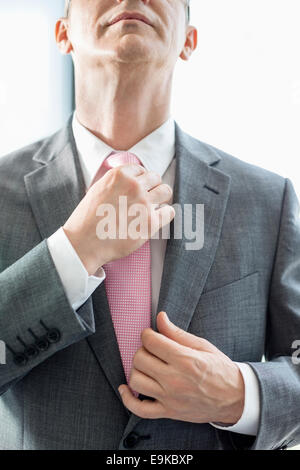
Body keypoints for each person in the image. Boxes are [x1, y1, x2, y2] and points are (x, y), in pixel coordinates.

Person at [0, 0, 299, 450]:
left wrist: (240, 394)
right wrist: (74, 252)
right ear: (61, 33)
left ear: (189, 41)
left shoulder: (266, 200)